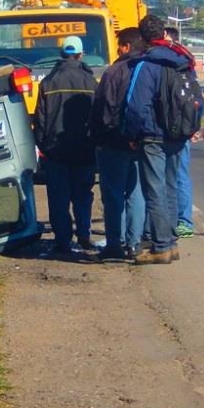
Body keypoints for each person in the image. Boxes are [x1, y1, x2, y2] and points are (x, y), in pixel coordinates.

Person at [122, 15, 192, 265]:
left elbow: (135, 105)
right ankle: (171, 243)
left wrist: (131, 135)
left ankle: (161, 246)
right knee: (171, 187)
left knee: (155, 190)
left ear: (142, 38)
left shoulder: (145, 64)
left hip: (152, 135)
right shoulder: (182, 60)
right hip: (178, 133)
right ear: (163, 33)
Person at [34, 35, 98, 258]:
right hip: (85, 150)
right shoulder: (91, 82)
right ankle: (84, 235)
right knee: (83, 194)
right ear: (81, 55)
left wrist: (43, 145)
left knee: (58, 197)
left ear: (62, 55)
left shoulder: (48, 82)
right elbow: (97, 118)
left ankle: (62, 240)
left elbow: (40, 121)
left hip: (55, 151)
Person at [89, 27, 146, 262]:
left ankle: (115, 244)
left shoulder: (114, 72)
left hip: (114, 142)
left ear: (125, 47)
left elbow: (104, 108)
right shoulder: (150, 71)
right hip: (142, 142)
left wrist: (98, 135)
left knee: (113, 194)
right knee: (137, 193)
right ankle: (135, 244)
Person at [165, 25, 197, 239]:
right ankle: (182, 221)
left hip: (168, 128)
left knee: (172, 176)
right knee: (179, 175)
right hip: (181, 129)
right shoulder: (188, 64)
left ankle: (180, 221)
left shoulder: (165, 63)